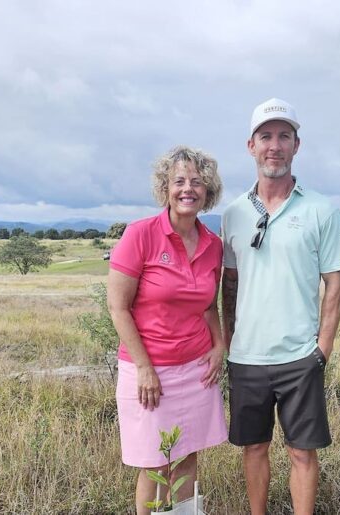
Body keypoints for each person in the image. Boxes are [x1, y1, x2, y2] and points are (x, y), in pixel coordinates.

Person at [221, 98, 340, 514]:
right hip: (247, 357)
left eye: (283, 136)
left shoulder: (321, 210)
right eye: (265, 136)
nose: (273, 145)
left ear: (297, 145)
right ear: (250, 146)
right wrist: (228, 341)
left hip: (300, 356)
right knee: (254, 447)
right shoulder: (234, 214)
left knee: (302, 453)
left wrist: (323, 347)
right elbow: (230, 283)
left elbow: (336, 279)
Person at [108, 145, 228, 514]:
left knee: (188, 458)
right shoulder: (140, 234)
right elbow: (118, 306)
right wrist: (144, 367)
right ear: (166, 188)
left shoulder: (213, 245)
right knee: (155, 464)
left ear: (208, 191)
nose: (187, 189)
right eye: (179, 181)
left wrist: (220, 345)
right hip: (149, 373)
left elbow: (208, 305)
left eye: (197, 182)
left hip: (195, 372)